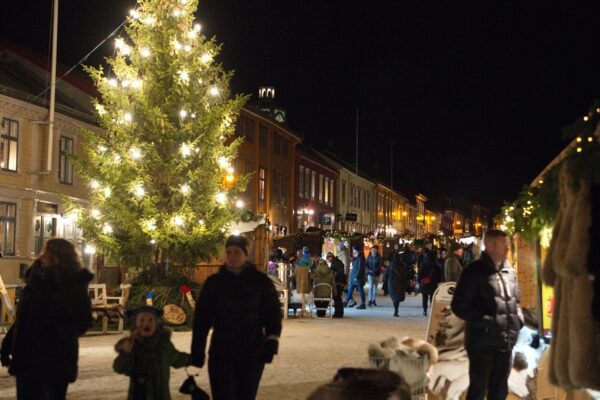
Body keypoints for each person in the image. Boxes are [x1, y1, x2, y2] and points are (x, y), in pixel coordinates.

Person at [191, 235, 282, 400]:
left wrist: (272, 340)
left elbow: (272, 313)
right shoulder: (214, 283)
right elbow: (201, 319)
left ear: (246, 254)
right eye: (229, 252)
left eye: (237, 252)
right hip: (222, 351)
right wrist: (197, 349)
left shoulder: (260, 282)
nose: (232, 256)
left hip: (252, 351)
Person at [0, 238, 93, 400]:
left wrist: (58, 331)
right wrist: (7, 345)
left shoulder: (73, 284)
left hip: (55, 362)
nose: (42, 256)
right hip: (27, 359)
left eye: (47, 253)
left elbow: (83, 321)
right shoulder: (34, 281)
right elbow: (23, 319)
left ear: (59, 257)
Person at [451, 230, 524, 400]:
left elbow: (516, 301)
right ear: (490, 246)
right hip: (482, 342)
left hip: (505, 341)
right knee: (478, 389)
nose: (507, 248)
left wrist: (517, 320)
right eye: (504, 244)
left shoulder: (509, 271)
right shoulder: (474, 272)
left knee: (499, 391)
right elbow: (459, 306)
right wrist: (486, 321)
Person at [113, 306, 191, 399]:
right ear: (136, 324)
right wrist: (125, 353)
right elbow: (119, 368)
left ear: (156, 324)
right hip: (139, 395)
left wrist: (192, 359)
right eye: (142, 320)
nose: (146, 323)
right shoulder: (133, 345)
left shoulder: (164, 344)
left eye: (150, 320)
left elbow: (176, 358)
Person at [417, 246, 442, 316]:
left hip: (424, 284)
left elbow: (420, 274)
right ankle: (432, 310)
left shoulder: (423, 264)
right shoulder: (436, 265)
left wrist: (419, 281)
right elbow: (440, 275)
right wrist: (438, 281)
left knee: (424, 298)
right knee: (432, 298)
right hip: (433, 284)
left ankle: (424, 311)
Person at [384, 252, 408, 317]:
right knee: (398, 297)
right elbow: (406, 275)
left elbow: (385, 276)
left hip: (391, 284)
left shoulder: (390, 266)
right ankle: (396, 309)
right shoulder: (403, 265)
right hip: (400, 283)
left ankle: (396, 309)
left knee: (394, 297)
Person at [344, 243, 367, 309]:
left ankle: (363, 303)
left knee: (361, 290)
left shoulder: (361, 258)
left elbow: (360, 268)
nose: (353, 250)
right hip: (353, 277)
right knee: (350, 290)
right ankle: (346, 302)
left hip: (357, 278)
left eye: (354, 249)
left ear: (357, 250)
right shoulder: (357, 257)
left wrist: (357, 277)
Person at [326, 252, 345, 318]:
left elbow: (336, 274)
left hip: (338, 283)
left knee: (337, 298)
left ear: (330, 257)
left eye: (328, 258)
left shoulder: (335, 263)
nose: (328, 260)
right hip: (340, 283)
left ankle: (338, 313)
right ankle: (339, 313)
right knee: (338, 299)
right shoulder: (337, 262)